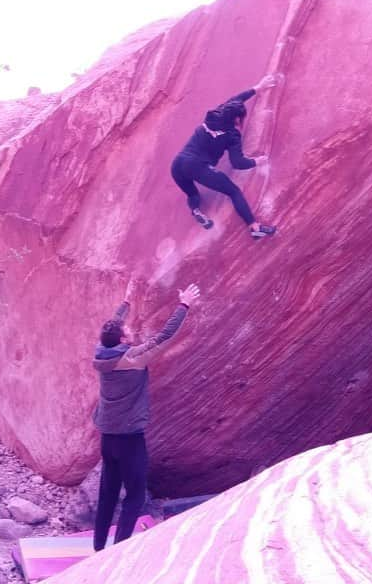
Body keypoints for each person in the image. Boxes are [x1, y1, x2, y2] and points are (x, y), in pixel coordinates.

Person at [91, 280, 201, 551]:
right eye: (128, 331)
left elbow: (111, 325)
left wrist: (126, 303)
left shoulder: (101, 353)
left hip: (108, 437)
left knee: (108, 493)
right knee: (135, 495)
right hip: (129, 439)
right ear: (123, 340)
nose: (131, 331)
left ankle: (98, 547)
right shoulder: (132, 359)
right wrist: (183, 305)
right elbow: (163, 337)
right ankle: (119, 550)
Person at [170, 73, 284, 239]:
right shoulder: (232, 135)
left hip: (177, 164)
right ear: (237, 119)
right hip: (198, 167)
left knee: (193, 194)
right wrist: (257, 161)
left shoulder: (214, 114)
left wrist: (258, 88)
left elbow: (235, 100)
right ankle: (254, 227)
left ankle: (195, 210)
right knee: (233, 192)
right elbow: (237, 163)